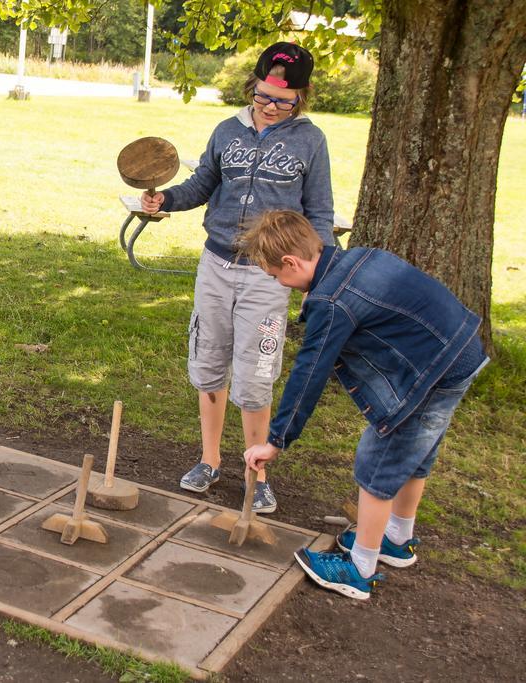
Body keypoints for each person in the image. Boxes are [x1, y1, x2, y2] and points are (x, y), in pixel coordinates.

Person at [238, 209, 488, 600]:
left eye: (276, 276)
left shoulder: (331, 301)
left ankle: (359, 567)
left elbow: (309, 372)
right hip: (461, 352)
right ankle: (396, 538)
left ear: (291, 262)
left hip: (431, 370)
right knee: (414, 456)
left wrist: (276, 440)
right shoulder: (360, 257)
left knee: (378, 462)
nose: (280, 284)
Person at [141, 42, 335, 513]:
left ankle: (257, 473)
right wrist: (165, 200)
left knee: (256, 373)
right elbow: (202, 184)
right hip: (216, 267)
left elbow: (321, 213)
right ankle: (209, 460)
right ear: (253, 87)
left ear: (300, 99)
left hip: (269, 277)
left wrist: (322, 277)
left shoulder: (311, 142)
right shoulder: (227, 130)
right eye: (262, 97)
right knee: (209, 362)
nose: (269, 107)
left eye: (281, 102)